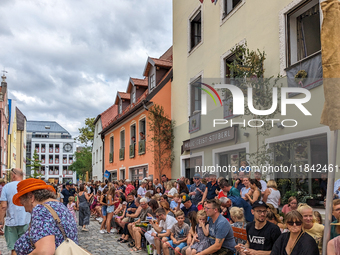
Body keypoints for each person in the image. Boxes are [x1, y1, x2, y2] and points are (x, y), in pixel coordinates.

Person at [13, 179, 78, 255]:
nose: (25, 209)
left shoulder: (41, 210)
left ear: (31, 197)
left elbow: (44, 251)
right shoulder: (60, 206)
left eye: (23, 203)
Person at [0, 168, 30, 255]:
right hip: (26, 221)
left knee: (14, 249)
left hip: (11, 222)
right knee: (26, 248)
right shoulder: (27, 186)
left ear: (13, 175)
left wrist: (1, 222)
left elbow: (3, 206)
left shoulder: (6, 187)